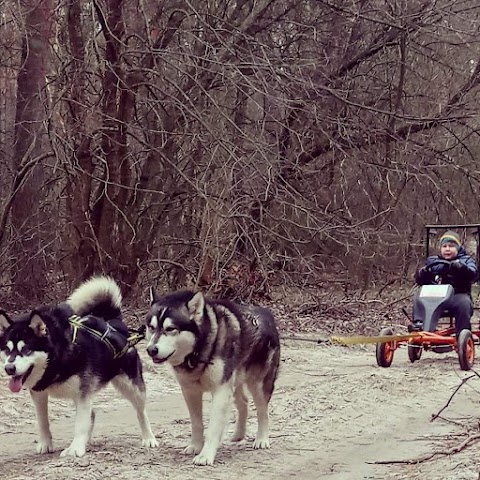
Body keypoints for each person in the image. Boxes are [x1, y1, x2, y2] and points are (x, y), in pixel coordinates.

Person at [412, 230, 478, 334]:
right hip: (435, 296)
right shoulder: (433, 261)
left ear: (458, 247)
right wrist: (422, 274)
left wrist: (461, 268)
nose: (447, 249)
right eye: (444, 246)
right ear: (440, 248)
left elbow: (473, 274)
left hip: (457, 296)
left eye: (451, 246)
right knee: (419, 294)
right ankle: (419, 324)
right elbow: (420, 281)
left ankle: (463, 332)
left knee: (464, 303)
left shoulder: (465, 260)